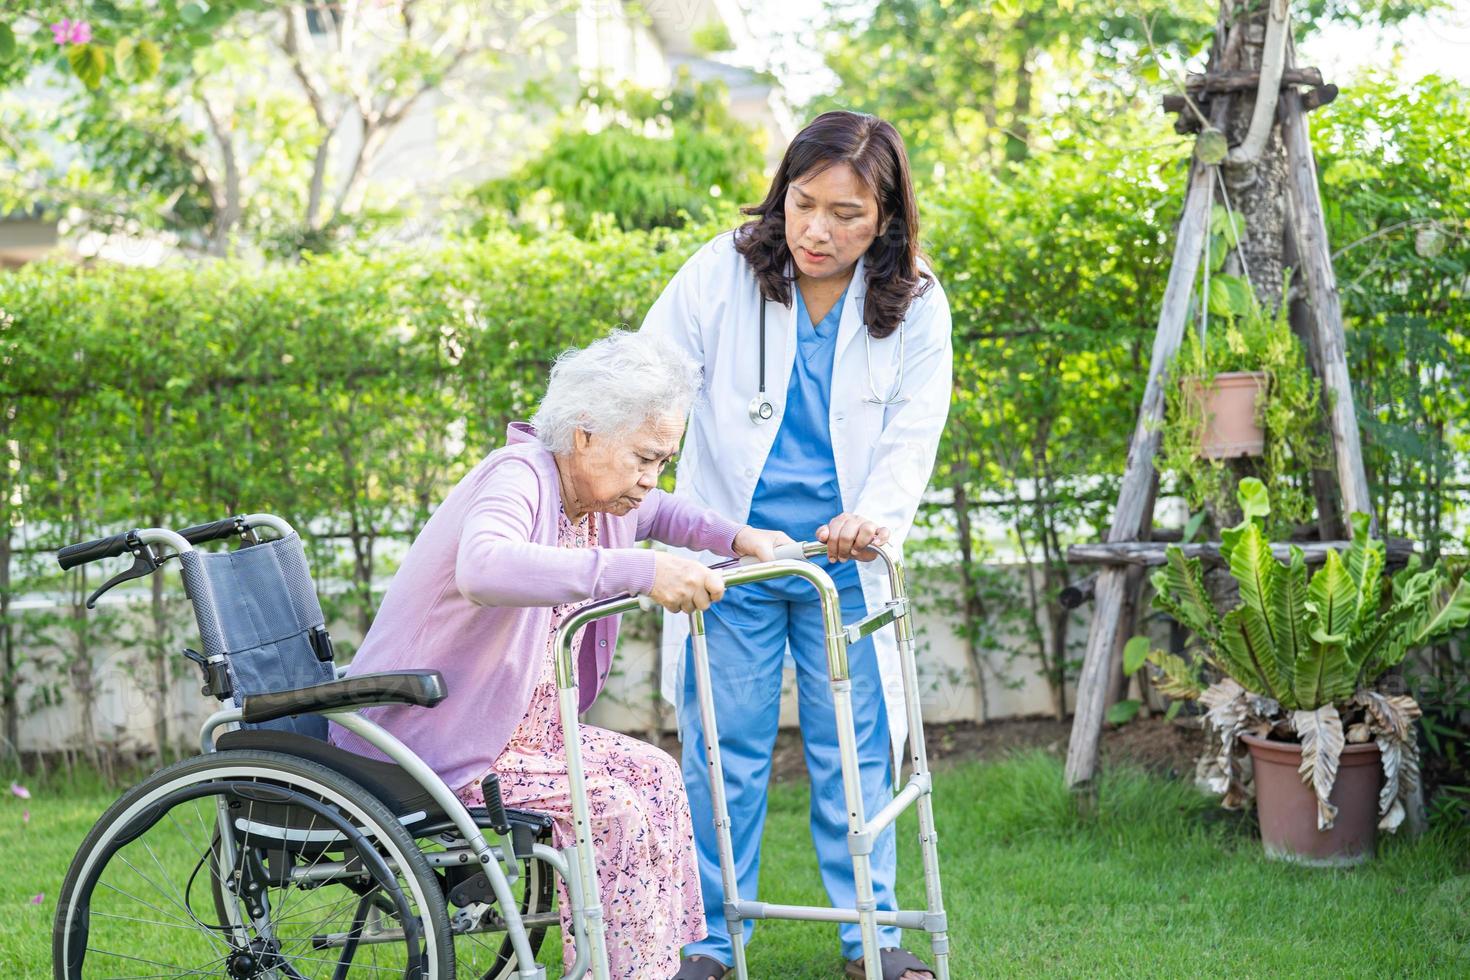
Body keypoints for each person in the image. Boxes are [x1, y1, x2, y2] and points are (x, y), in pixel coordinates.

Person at [328, 330, 791, 979]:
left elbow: (664, 513)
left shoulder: (601, 494)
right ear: (584, 434)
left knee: (658, 776)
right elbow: (484, 567)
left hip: (519, 735)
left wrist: (740, 538)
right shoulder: (517, 476)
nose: (649, 478)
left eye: (663, 460)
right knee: (614, 812)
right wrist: (639, 570)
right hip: (436, 739)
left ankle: (657, 965)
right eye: (643, 458)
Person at [641, 109, 952, 980]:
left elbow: (912, 435)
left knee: (852, 760)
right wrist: (652, 500)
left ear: (886, 216)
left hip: (841, 565)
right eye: (804, 203)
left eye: (846, 214)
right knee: (719, 758)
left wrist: (874, 519)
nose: (818, 230)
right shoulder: (722, 270)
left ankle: (873, 942)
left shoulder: (917, 302)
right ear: (784, 195)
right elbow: (652, 377)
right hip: (729, 561)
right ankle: (708, 942)